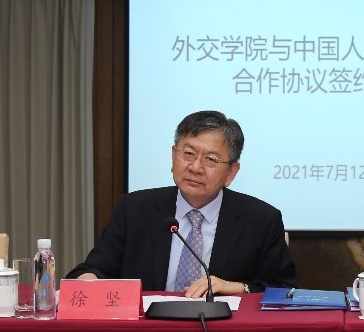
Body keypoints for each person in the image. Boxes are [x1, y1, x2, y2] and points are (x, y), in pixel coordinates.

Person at [65, 110, 296, 295]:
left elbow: (284, 289)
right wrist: (89, 279)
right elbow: (95, 268)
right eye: (188, 154)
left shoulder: (261, 220)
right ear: (173, 155)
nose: (195, 167)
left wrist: (237, 288)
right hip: (148, 331)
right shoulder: (134, 209)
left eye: (210, 159)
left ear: (231, 172)